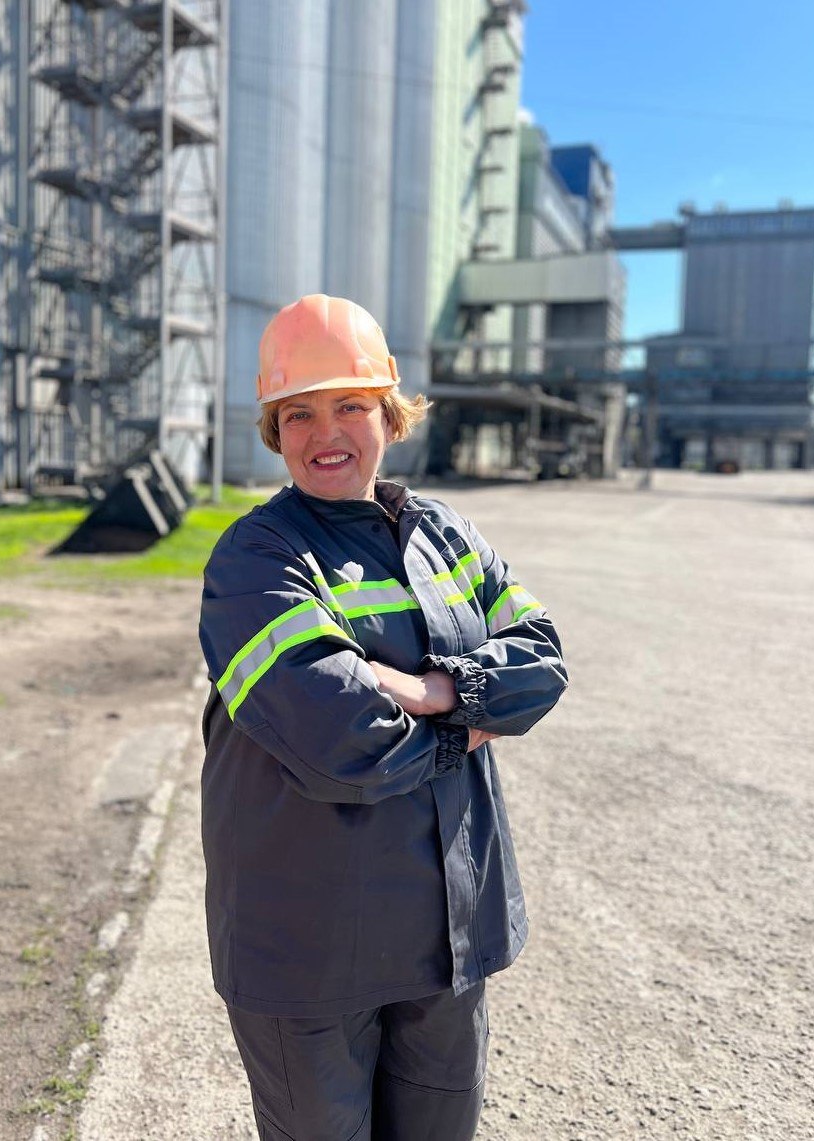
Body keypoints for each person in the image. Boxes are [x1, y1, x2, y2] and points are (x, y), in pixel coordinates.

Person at [199, 294, 568, 1141]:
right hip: (311, 947)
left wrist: (432, 689)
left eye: (349, 404)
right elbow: (340, 742)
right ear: (275, 428)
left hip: (446, 938)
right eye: (299, 412)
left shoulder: (447, 536)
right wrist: (477, 716)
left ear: (390, 415)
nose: (324, 431)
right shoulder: (256, 557)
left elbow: (543, 661)